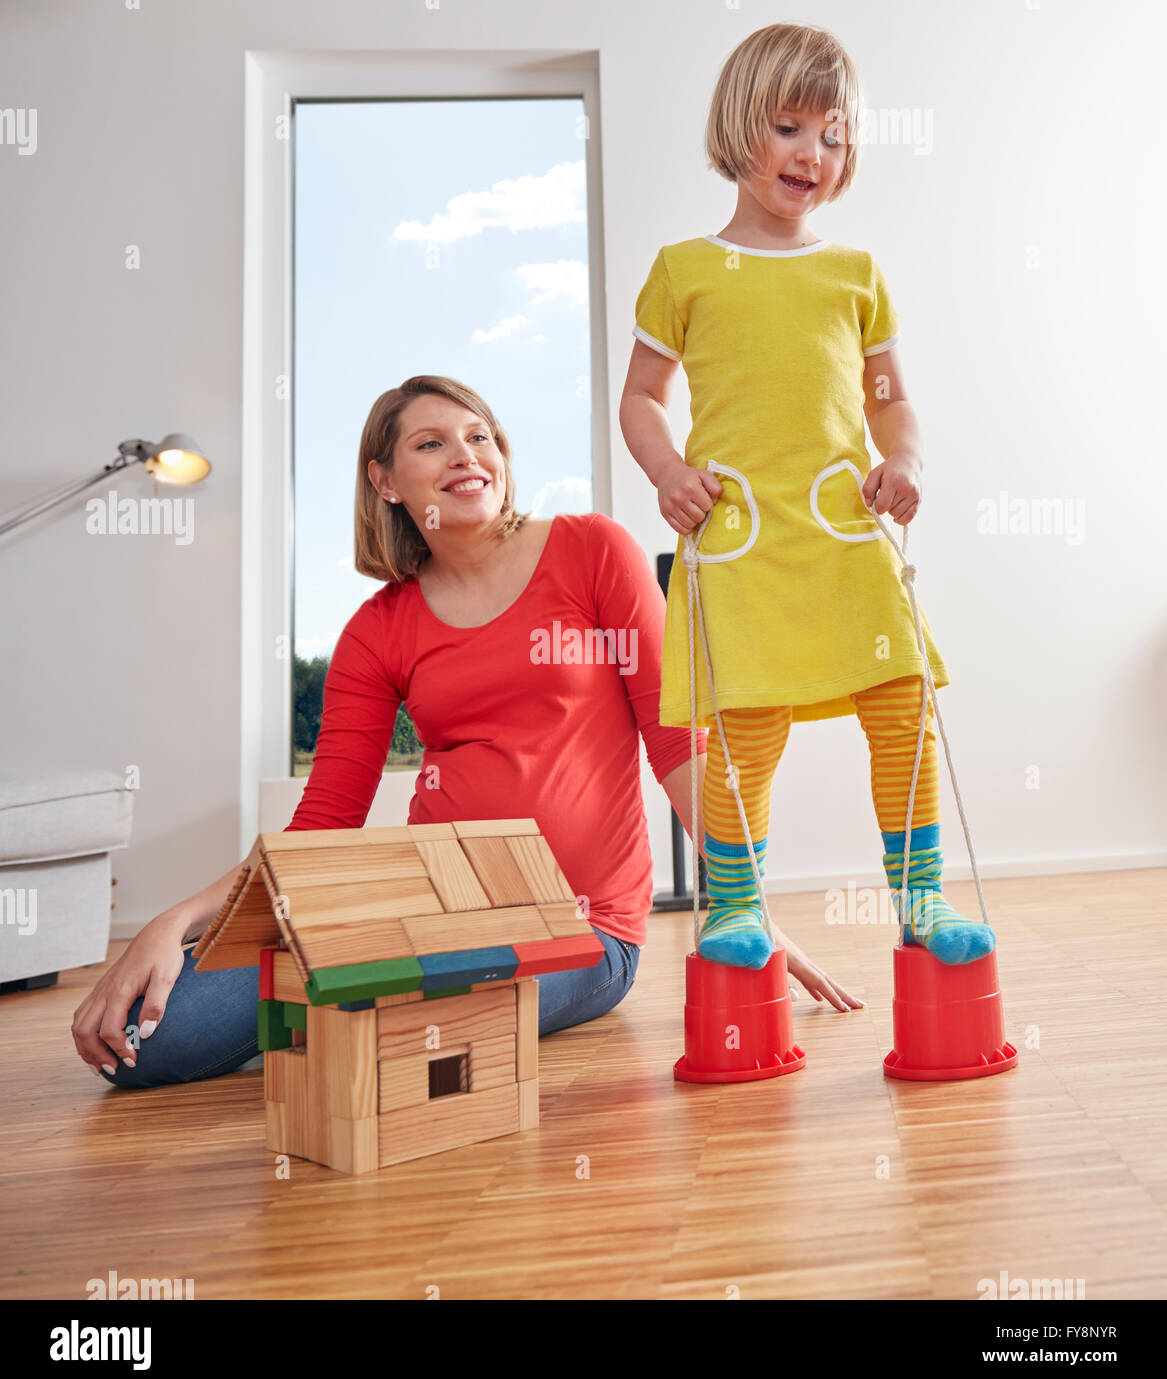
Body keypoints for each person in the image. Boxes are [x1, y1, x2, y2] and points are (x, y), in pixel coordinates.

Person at [72, 375, 864, 1087]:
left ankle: (341, 1021)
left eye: (479, 435)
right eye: (430, 443)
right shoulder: (376, 631)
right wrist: (174, 922)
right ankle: (339, 1016)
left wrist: (744, 908)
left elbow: (675, 744)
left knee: (412, 1021)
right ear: (384, 481)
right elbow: (322, 824)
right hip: (423, 908)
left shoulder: (593, 551)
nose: (465, 455)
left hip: (580, 928)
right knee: (147, 1041)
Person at [619, 22, 995, 971]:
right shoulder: (685, 270)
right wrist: (667, 472)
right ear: (737, 126)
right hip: (741, 541)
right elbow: (641, 399)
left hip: (841, 536)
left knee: (902, 703)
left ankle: (920, 897)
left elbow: (890, 398)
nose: (811, 155)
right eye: (788, 128)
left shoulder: (853, 274)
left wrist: (904, 460)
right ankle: (735, 906)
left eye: (833, 136)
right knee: (746, 728)